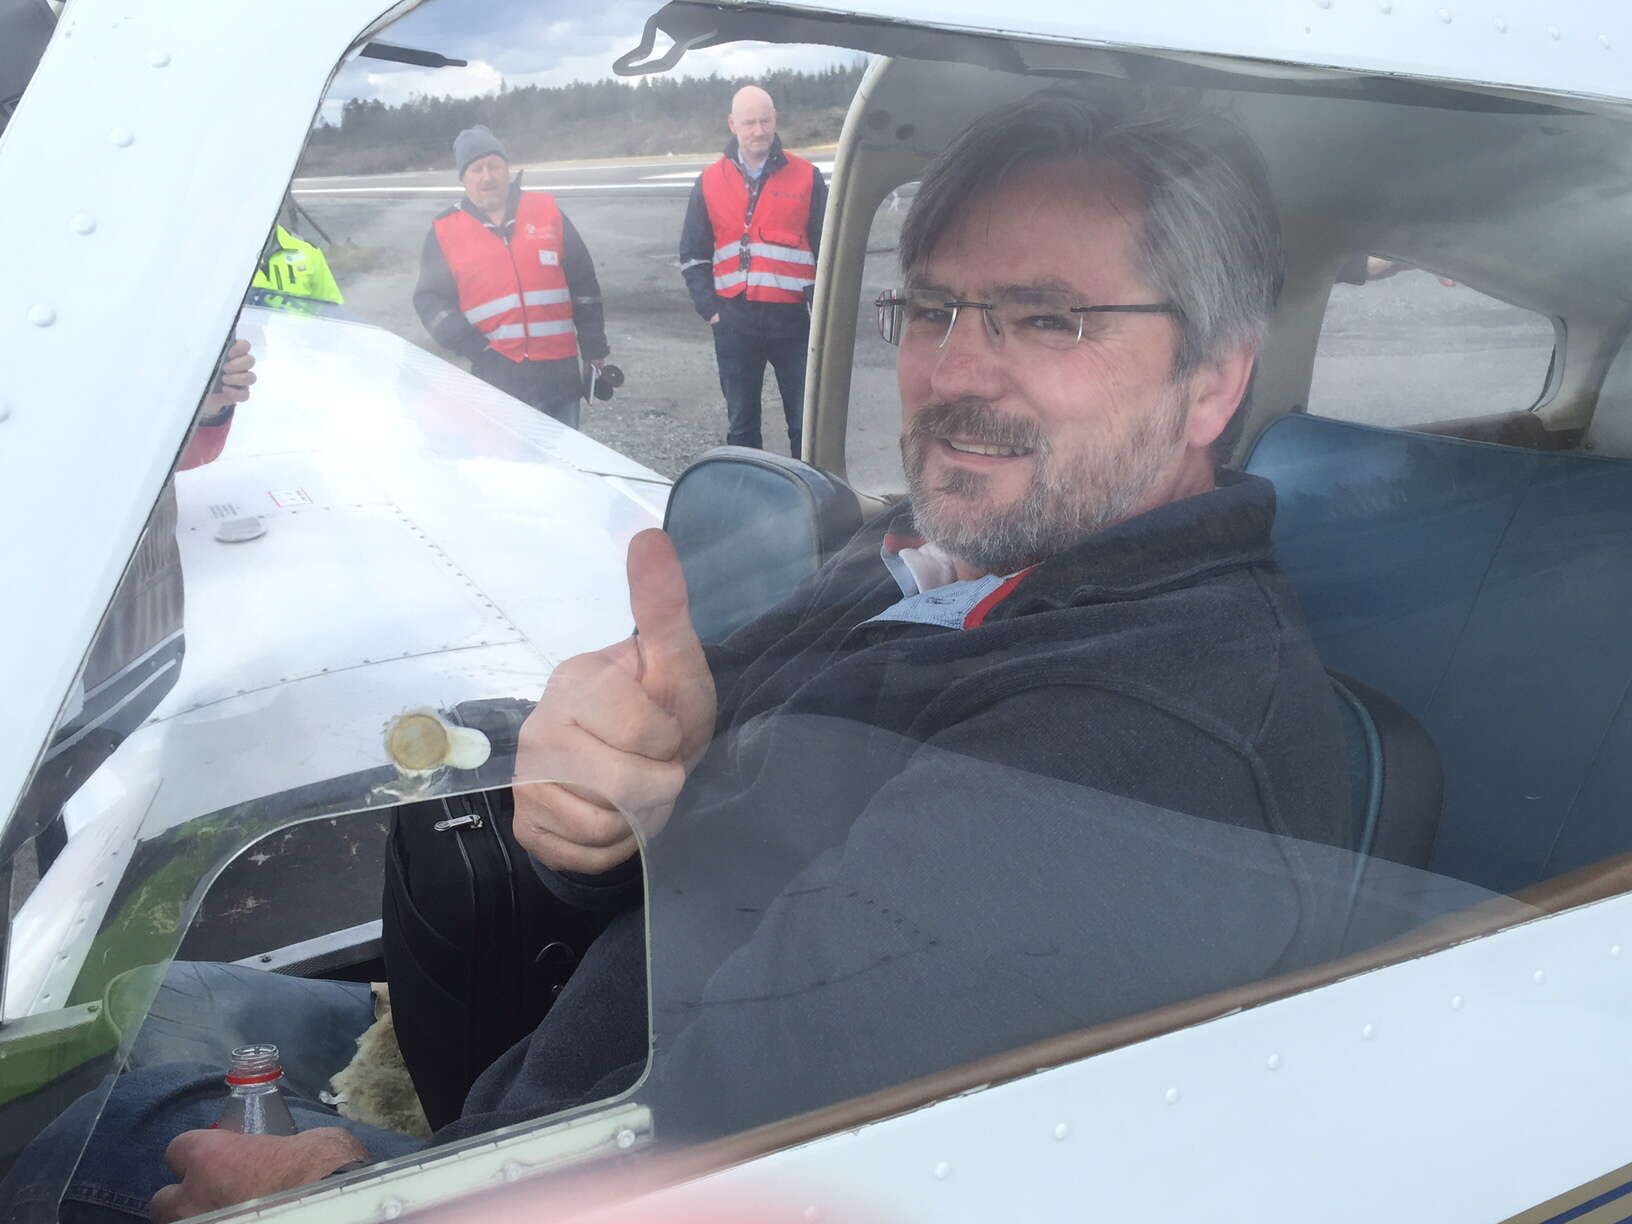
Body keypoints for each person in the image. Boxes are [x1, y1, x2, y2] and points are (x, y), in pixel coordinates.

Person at [7, 91, 1354, 1221]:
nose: (953, 372)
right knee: (109, 1010)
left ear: (1214, 378)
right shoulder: (944, 560)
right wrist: (582, 801)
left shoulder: (1133, 742)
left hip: (525, 1160)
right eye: (935, 308)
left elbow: (731, 1165)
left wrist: (363, 1188)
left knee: (49, 1114)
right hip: (518, 1062)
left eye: (1046, 318)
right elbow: (687, 802)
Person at [413, 125, 610, 429]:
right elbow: (430, 301)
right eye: (476, 169)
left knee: (562, 455)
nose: (487, 177)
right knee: (503, 457)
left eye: (494, 166)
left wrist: (594, 347)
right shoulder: (445, 230)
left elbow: (584, 284)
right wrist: (476, 349)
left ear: (507, 170)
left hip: (559, 377)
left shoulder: (547, 211)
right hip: (498, 381)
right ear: (464, 179)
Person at [680, 85, 826, 455]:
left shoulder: (807, 176)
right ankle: (748, 485)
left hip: (793, 321)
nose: (759, 130)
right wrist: (710, 309)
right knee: (742, 425)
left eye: (765, 121)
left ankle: (808, 487)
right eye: (749, 122)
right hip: (734, 321)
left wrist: (820, 309)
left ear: (775, 120)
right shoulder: (709, 181)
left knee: (805, 423)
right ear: (732, 124)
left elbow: (829, 249)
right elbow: (693, 254)